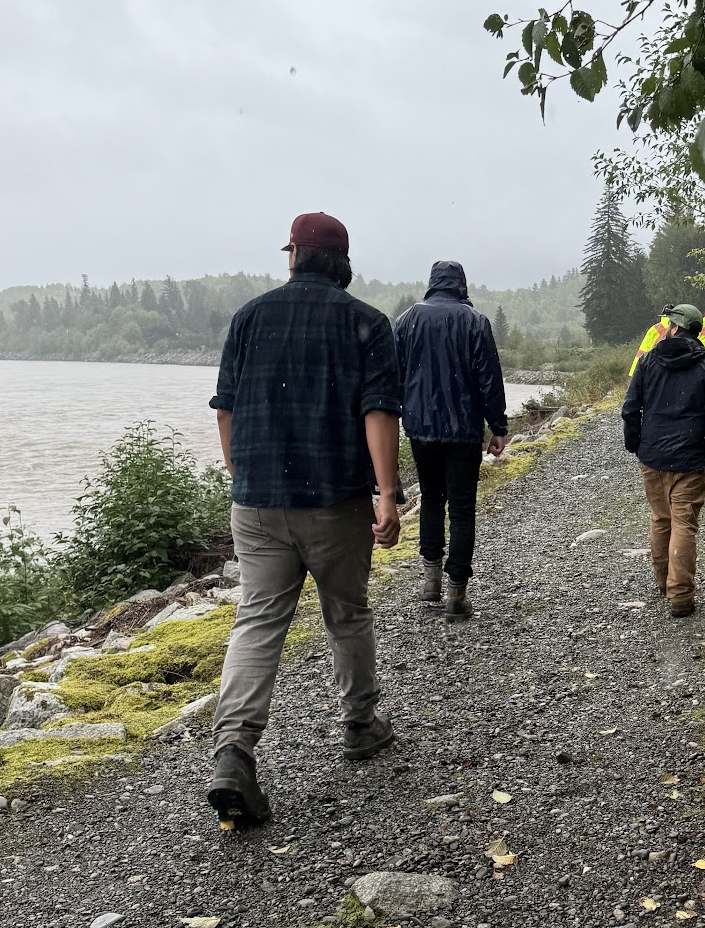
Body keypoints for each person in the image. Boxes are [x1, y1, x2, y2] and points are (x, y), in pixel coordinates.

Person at [206, 212, 402, 832]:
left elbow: (226, 412)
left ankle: (234, 751)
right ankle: (361, 725)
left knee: (258, 618)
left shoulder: (249, 318)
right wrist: (388, 494)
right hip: (335, 503)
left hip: (257, 503)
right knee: (346, 611)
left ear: (294, 255)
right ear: (341, 261)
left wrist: (242, 474)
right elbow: (378, 413)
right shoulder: (367, 323)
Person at [393, 260, 508, 620]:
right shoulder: (475, 322)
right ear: (461, 285)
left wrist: (398, 415)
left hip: (420, 429)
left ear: (432, 283)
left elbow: (394, 377)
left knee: (430, 499)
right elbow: (489, 377)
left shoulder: (406, 321)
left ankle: (430, 580)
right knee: (461, 508)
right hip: (463, 432)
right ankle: (456, 592)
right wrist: (498, 427)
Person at [622, 302, 705, 618]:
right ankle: (680, 596)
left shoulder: (646, 363)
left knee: (661, 518)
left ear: (672, 328)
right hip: (690, 459)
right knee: (684, 523)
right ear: (697, 332)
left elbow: (630, 408)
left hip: (652, 457)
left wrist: (635, 445)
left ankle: (664, 584)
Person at [629, 304, 705, 374]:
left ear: (674, 328)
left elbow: (632, 399)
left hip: (652, 365)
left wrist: (637, 371)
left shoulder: (648, 362)